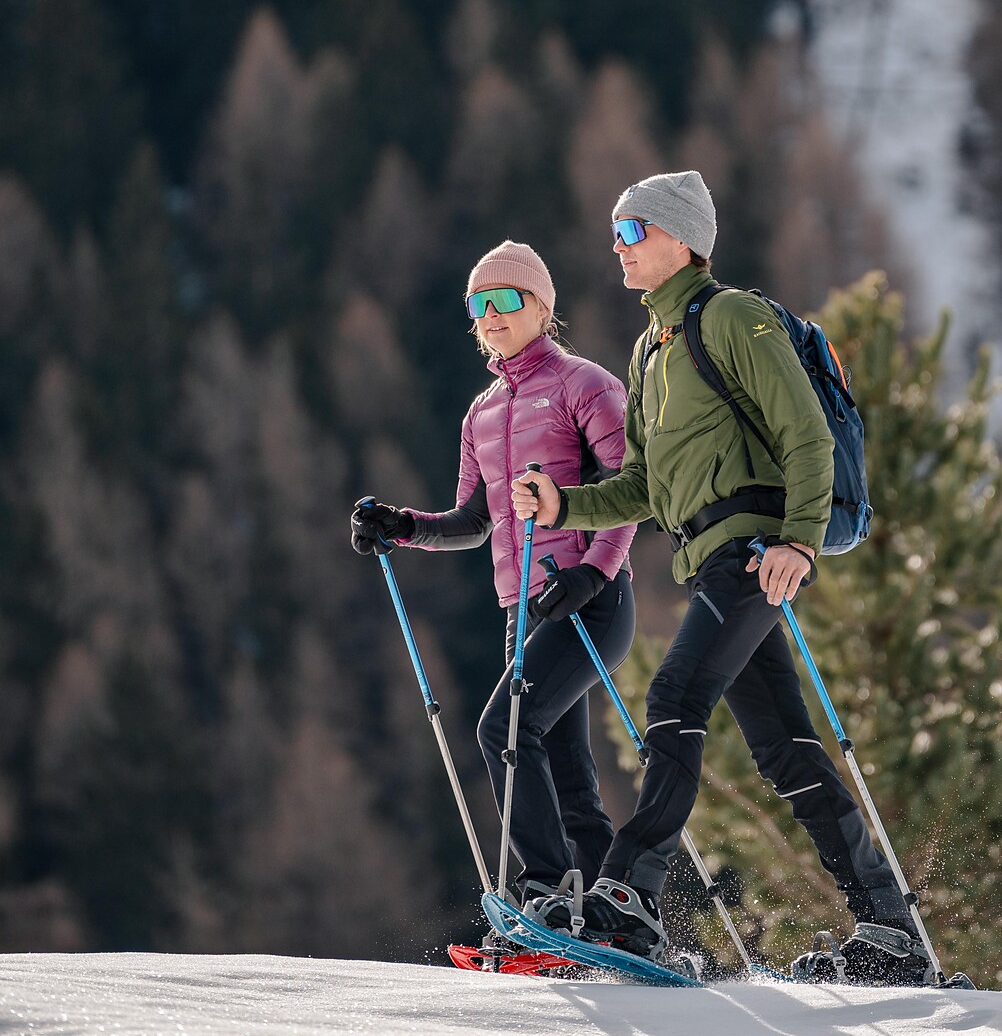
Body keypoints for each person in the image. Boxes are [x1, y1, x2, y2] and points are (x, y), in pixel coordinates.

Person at [510, 172, 930, 984]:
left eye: (632, 233)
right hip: (711, 561)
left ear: (680, 240)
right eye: (616, 233)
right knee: (784, 748)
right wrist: (564, 502)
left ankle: (631, 892)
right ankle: (888, 928)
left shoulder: (731, 318)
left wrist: (798, 544)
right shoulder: (651, 351)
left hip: (756, 554)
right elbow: (646, 488)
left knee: (673, 699)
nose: (618, 248)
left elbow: (804, 433)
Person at [351, 240, 636, 911]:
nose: (492, 315)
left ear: (542, 306)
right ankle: (614, 910)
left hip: (588, 599)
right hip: (524, 609)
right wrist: (404, 526)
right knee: (566, 771)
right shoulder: (481, 412)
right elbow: (475, 519)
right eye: (479, 305)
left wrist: (594, 573)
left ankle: (544, 890)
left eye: (506, 300)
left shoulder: (585, 386)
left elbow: (634, 491)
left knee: (503, 731)